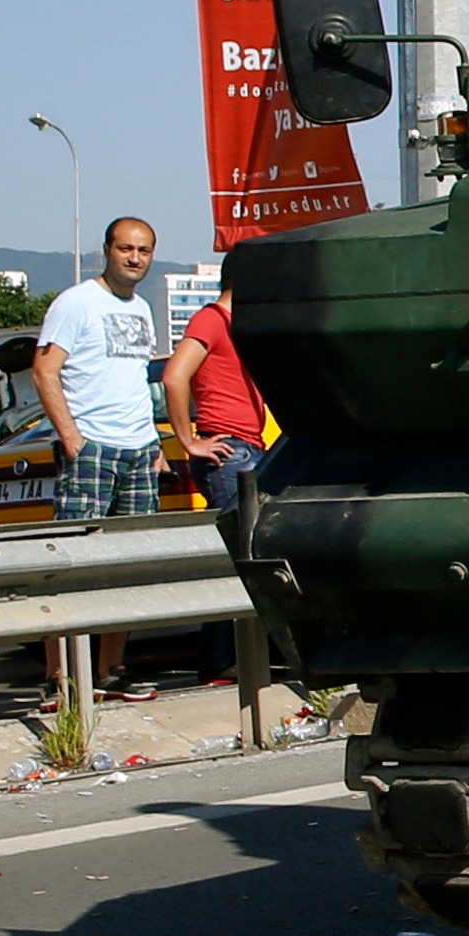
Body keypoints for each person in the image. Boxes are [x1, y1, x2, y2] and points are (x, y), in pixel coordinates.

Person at [34, 218, 165, 702]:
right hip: (93, 448)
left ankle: (111, 668)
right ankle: (59, 676)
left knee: (128, 566)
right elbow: (44, 370)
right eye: (126, 248)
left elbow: (135, 380)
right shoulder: (77, 303)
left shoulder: (143, 308)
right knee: (74, 563)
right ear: (107, 250)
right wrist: (72, 438)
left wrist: (154, 444)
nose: (135, 258)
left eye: (144, 250)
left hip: (138, 450)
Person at [167, 280, 268, 682]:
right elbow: (174, 377)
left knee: (242, 552)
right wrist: (189, 441)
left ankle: (226, 655)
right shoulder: (211, 319)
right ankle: (218, 657)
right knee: (240, 552)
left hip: (248, 447)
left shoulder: (240, 327)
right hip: (228, 449)